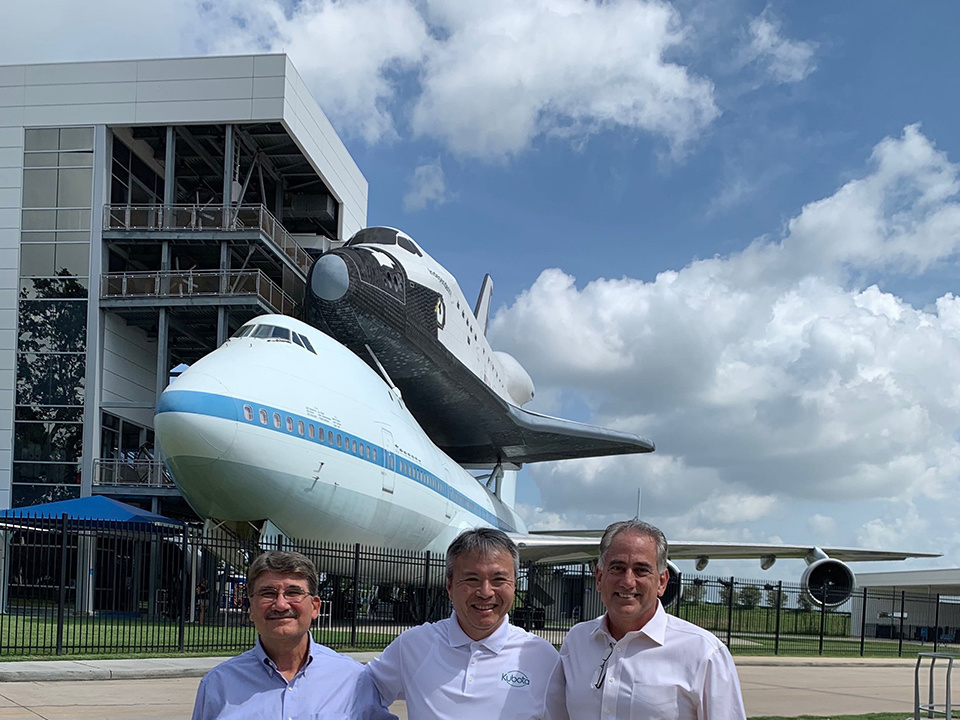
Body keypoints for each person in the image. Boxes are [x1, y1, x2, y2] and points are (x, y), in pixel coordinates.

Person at [557, 520, 746, 720]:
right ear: (599, 577)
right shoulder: (577, 641)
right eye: (617, 568)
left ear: (662, 582)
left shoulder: (703, 653)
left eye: (641, 570)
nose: (628, 582)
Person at [365, 527, 562, 719]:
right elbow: (361, 692)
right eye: (472, 579)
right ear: (449, 586)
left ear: (514, 585)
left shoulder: (542, 657)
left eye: (499, 579)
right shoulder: (413, 646)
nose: (485, 592)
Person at [192, 550, 396, 720]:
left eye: (293, 593)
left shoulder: (353, 680)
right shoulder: (218, 685)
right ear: (251, 609)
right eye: (268, 593)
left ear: (315, 607)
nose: (280, 604)